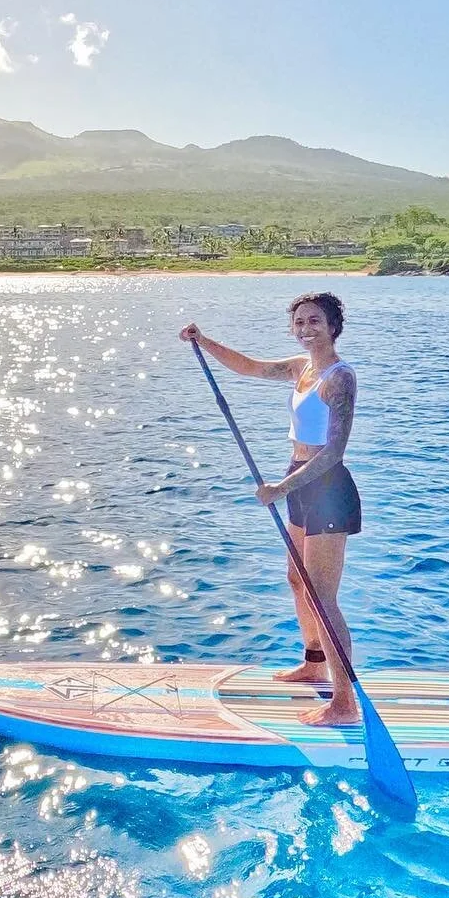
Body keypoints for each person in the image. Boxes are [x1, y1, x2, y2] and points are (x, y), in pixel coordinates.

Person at [179, 292, 362, 725]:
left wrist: (282, 487)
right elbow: (252, 367)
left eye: (314, 321)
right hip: (299, 477)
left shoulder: (340, 377)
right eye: (299, 322)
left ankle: (344, 703)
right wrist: (204, 342)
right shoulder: (302, 369)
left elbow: (335, 451)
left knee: (322, 596)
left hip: (327, 487)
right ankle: (314, 662)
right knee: (297, 581)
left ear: (333, 325)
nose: (305, 329)